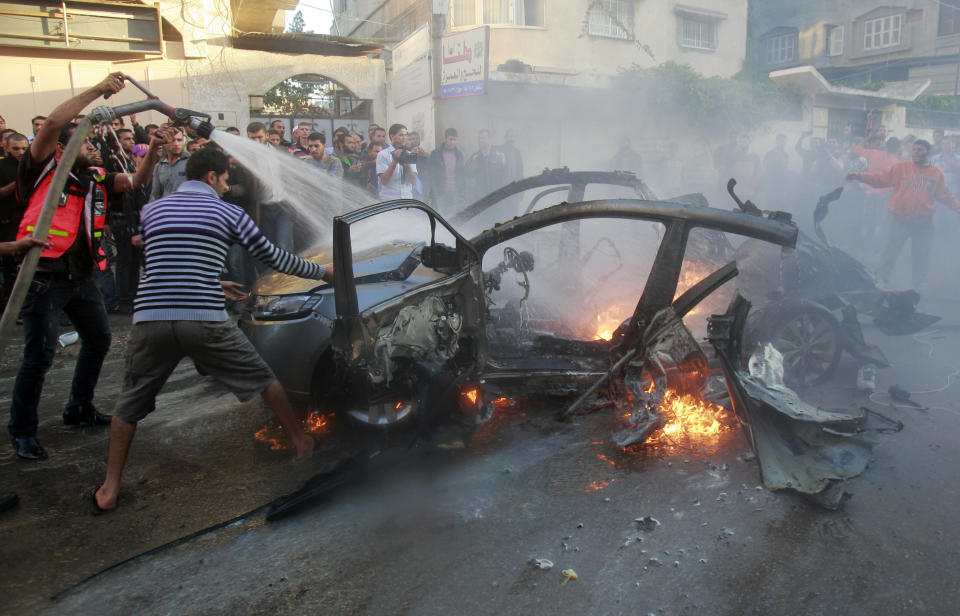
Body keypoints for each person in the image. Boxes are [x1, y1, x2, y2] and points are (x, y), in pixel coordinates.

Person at [93, 147, 334, 511]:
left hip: (150, 318)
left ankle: (110, 487)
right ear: (211, 176)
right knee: (264, 380)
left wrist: (214, 283)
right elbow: (274, 257)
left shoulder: (152, 210)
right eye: (224, 181)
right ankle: (301, 442)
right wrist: (324, 272)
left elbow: (171, 260)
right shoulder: (227, 211)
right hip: (202, 318)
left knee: (127, 406)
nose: (226, 188)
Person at [8, 72, 167, 461]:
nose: (94, 147)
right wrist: (99, 91)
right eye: (86, 143)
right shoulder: (41, 167)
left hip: (81, 276)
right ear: (64, 148)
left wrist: (155, 155)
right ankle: (22, 431)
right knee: (39, 354)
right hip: (43, 276)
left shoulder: (94, 177)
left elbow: (134, 180)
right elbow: (53, 124)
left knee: (98, 339)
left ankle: (78, 407)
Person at [846, 139, 960, 287]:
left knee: (921, 255)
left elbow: (945, 195)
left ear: (928, 152)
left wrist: (958, 207)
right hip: (900, 219)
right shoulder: (901, 168)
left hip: (923, 222)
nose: (916, 152)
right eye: (914, 149)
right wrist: (859, 176)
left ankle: (918, 286)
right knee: (890, 253)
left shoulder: (935, 173)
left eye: (920, 150)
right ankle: (881, 282)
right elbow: (880, 179)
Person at [0, 133, 28, 306]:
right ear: (7, 148)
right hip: (7, 222)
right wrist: (19, 181)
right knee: (11, 267)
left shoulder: (33, 165)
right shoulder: (2, 166)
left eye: (24, 148)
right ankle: (14, 307)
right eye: (16, 148)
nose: (20, 152)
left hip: (29, 220)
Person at [427, 127, 465, 213]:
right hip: (440, 192)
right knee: (440, 217)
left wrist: (462, 191)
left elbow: (462, 174)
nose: (452, 142)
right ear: (445, 139)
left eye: (455, 140)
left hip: (455, 192)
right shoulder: (436, 154)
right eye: (450, 139)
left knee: (454, 217)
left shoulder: (459, 155)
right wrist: (432, 191)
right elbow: (431, 174)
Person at [377, 123, 418, 200]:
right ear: (392, 136)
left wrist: (407, 164)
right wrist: (395, 161)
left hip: (407, 199)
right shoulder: (382, 154)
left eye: (406, 135)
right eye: (401, 135)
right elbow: (384, 181)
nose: (404, 138)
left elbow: (413, 181)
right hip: (389, 200)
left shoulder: (409, 154)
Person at [466, 129, 507, 201]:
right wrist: (471, 169)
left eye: (483, 138)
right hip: (480, 198)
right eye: (479, 138)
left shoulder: (499, 155)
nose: (480, 140)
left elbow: (506, 175)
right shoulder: (475, 157)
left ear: (490, 139)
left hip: (496, 197)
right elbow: (467, 175)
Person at [149, 126, 188, 200]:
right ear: (164, 143)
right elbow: (155, 195)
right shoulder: (159, 166)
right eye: (172, 140)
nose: (176, 144)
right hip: (166, 209)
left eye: (179, 140)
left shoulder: (191, 163)